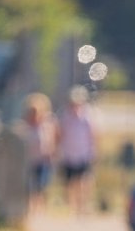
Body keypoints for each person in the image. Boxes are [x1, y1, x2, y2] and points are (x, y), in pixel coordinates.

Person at [56, 85, 98, 216]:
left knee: (83, 181)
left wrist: (94, 150)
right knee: (70, 182)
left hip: (84, 153)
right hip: (69, 153)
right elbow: (59, 134)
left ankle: (82, 206)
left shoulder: (87, 115)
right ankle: (73, 206)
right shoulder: (65, 116)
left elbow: (94, 134)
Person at [23, 92, 57, 218]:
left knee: (41, 186)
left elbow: (54, 139)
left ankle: (39, 209)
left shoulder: (47, 123)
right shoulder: (25, 126)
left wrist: (52, 152)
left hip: (43, 160)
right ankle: (30, 210)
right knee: (30, 187)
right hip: (29, 160)